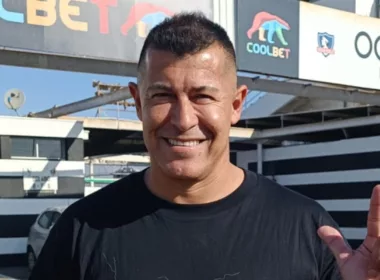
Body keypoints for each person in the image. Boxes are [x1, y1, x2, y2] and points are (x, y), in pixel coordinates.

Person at [29, 12, 380, 280]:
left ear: (235, 104)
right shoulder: (81, 231)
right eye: (162, 95)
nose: (183, 120)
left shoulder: (309, 229)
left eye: (203, 96)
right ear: (138, 104)